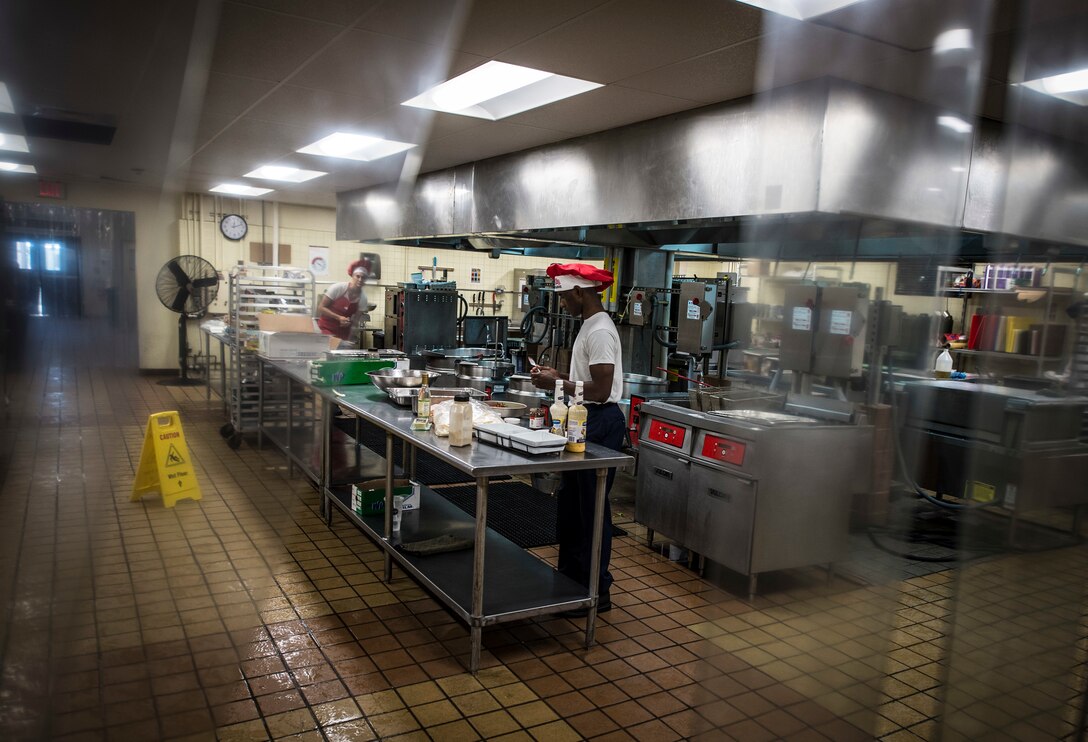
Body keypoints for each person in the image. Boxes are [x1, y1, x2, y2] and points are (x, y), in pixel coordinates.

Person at [531, 263, 625, 616]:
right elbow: (586, 379)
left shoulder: (600, 330)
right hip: (585, 419)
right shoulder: (588, 325)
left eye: (562, 297)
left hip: (599, 422)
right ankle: (571, 580)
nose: (560, 304)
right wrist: (559, 376)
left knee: (591, 509)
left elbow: (601, 390)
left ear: (578, 292)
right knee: (573, 506)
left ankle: (595, 591)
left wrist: (558, 385)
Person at [317, 259, 369, 340]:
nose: (360, 280)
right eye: (358, 276)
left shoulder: (363, 298)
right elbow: (321, 308)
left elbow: (356, 321)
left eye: (363, 277)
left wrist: (351, 337)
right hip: (326, 328)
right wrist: (338, 317)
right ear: (352, 275)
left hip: (343, 334)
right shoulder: (338, 288)